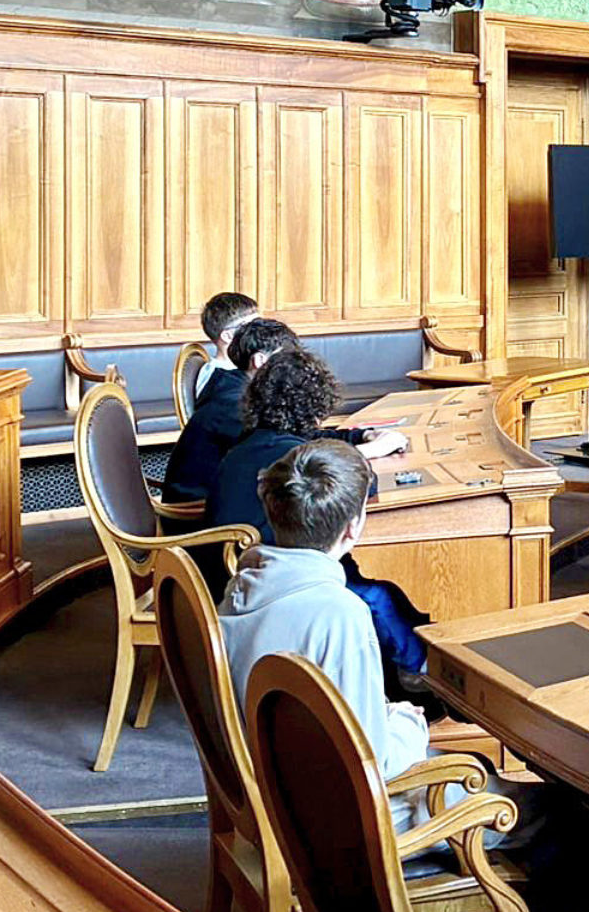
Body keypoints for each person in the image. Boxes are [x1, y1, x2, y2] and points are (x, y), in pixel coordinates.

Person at [216, 439, 431, 828]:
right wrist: (408, 724)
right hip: (343, 827)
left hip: (273, 795)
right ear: (353, 527)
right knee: (542, 812)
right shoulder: (340, 613)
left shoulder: (241, 585)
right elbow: (373, 765)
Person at [205, 348, 426, 691]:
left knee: (384, 590)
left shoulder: (255, 442)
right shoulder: (291, 458)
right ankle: (421, 670)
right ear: (315, 403)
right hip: (282, 568)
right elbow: (350, 488)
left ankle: (416, 655)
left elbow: (321, 441)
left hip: (256, 564)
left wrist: (361, 437)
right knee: (377, 594)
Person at [162, 318, 299, 506]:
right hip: (195, 514)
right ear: (260, 360)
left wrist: (349, 437)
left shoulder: (238, 386)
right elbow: (283, 447)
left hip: (219, 498)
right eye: (287, 358)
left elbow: (286, 438)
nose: (293, 367)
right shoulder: (233, 403)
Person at [195, 291, 258, 396]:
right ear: (228, 336)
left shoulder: (244, 368)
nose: (261, 331)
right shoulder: (220, 383)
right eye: (252, 327)